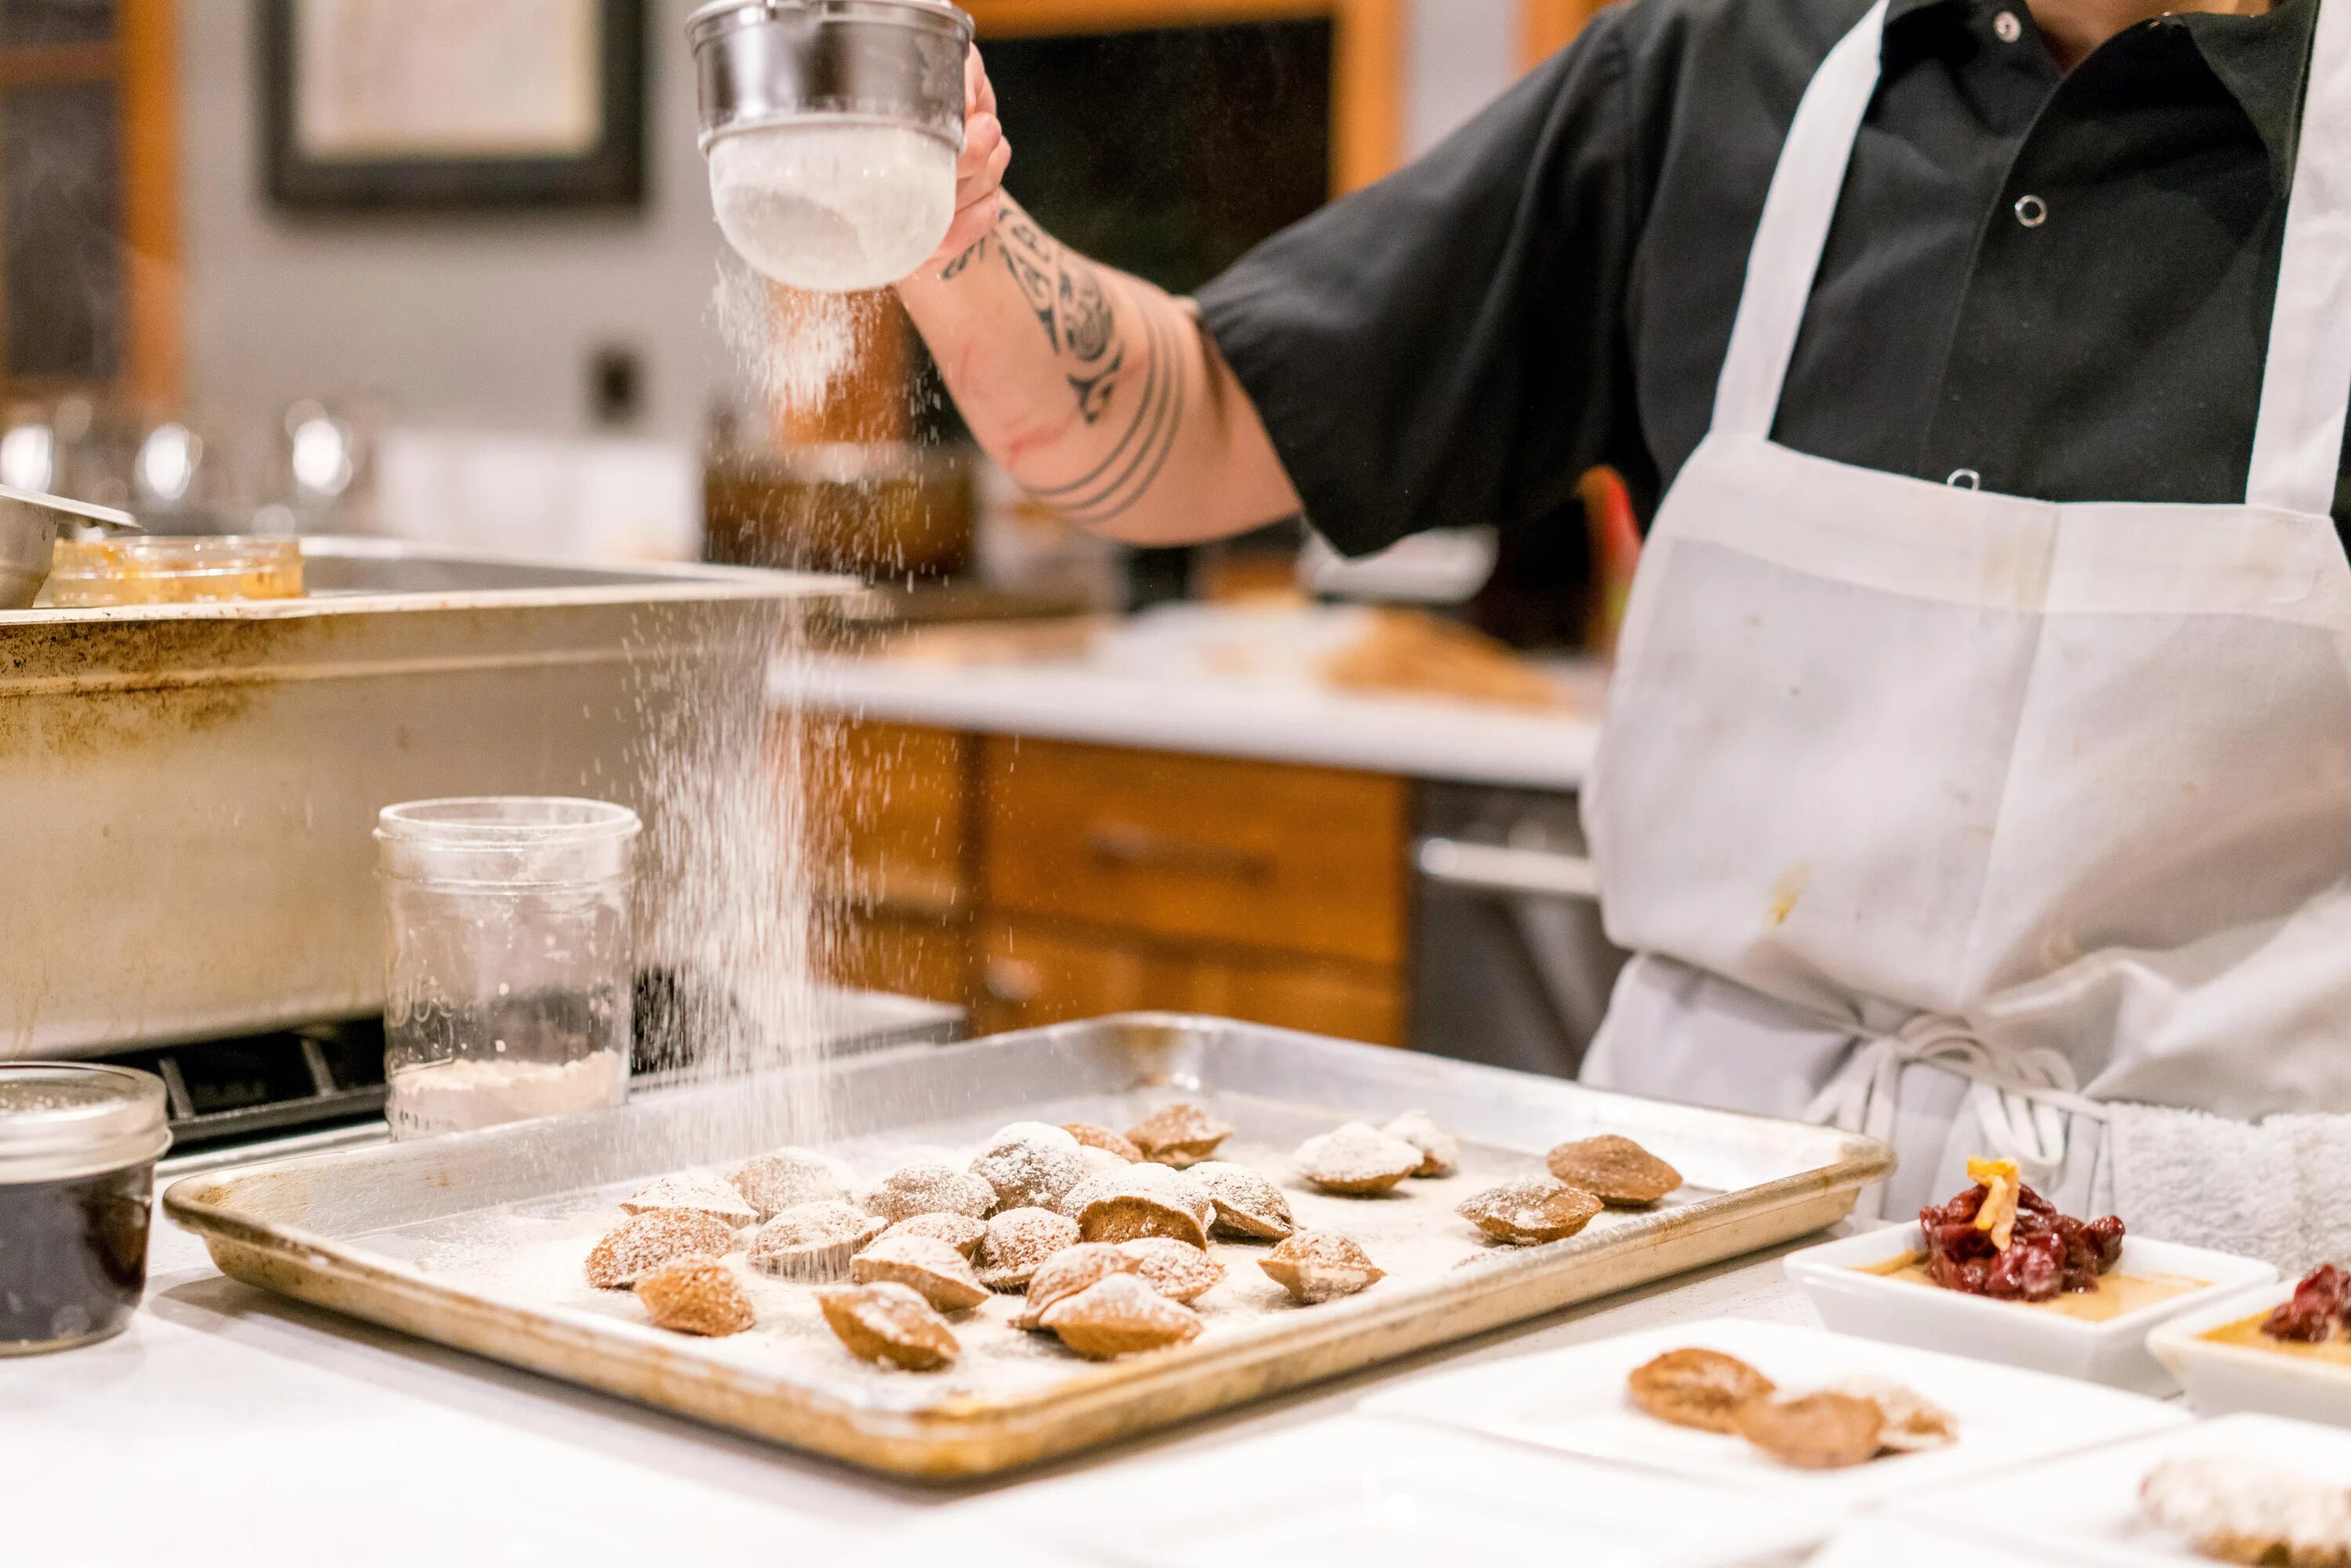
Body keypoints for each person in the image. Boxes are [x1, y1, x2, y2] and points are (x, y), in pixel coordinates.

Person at [893, 0, 2351, 1261]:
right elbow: (1186, 418)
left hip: (2212, 1293)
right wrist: (944, 218)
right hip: (1699, 1222)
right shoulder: (1714, 71)